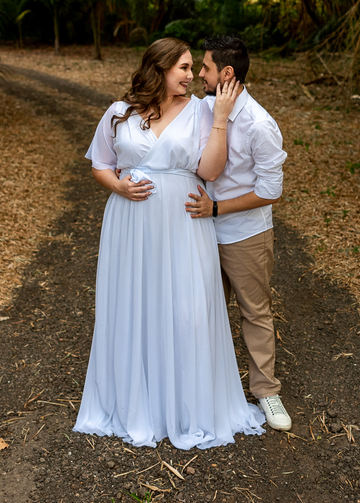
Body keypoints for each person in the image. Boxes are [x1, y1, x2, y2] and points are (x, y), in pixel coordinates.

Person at [74, 37, 266, 449]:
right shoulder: (119, 112)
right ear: (159, 68)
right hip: (130, 223)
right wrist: (118, 186)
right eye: (184, 67)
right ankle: (135, 400)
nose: (192, 75)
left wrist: (220, 119)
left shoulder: (201, 110)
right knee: (134, 304)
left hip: (183, 223)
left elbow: (210, 171)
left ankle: (186, 405)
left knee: (186, 310)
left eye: (195, 67)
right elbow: (101, 165)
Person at [186, 35, 291, 431]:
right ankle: (204, 386)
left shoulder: (260, 125)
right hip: (198, 230)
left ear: (226, 73)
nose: (199, 74)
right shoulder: (202, 108)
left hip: (245, 234)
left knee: (254, 311)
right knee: (200, 310)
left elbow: (271, 191)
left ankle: (266, 391)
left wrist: (216, 208)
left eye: (206, 68)